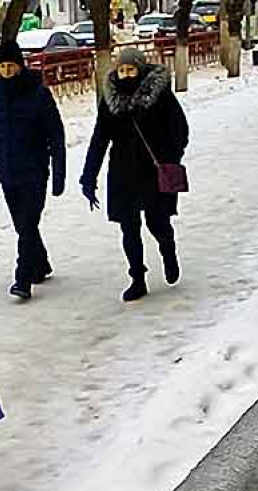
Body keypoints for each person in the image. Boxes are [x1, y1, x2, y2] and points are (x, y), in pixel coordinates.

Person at [80, 47, 188, 302]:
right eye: (122, 70)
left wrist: (170, 157)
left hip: (152, 170)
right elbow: (100, 138)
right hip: (122, 172)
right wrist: (89, 175)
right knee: (129, 228)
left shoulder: (159, 95)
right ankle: (137, 278)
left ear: (140, 69)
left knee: (157, 222)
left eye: (131, 70)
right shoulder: (111, 99)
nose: (126, 75)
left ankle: (168, 251)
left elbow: (180, 129)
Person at [0, 39, 66, 300]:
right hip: (8, 173)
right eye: (2, 66)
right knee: (23, 226)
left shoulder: (39, 94)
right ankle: (40, 264)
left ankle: (23, 278)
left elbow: (56, 136)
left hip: (35, 171)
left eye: (11, 65)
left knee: (27, 224)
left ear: (20, 65)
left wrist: (58, 175)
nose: (7, 71)